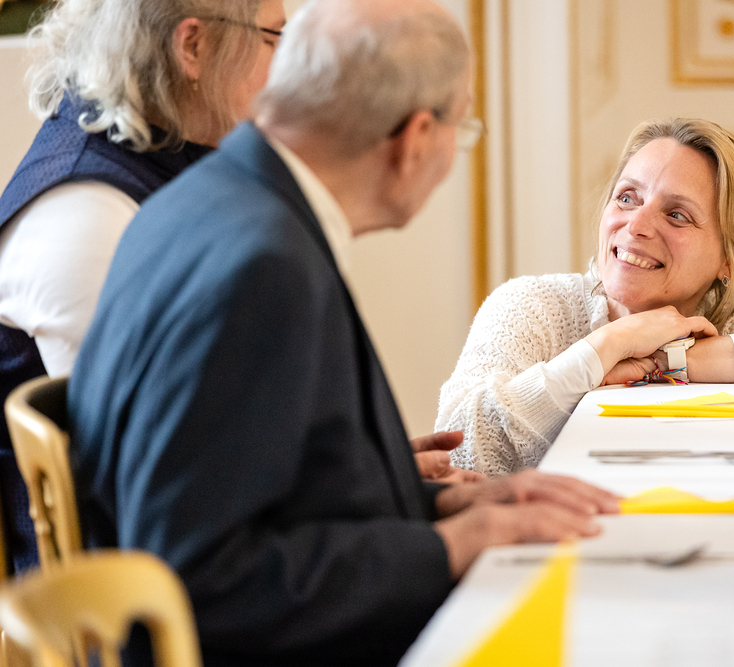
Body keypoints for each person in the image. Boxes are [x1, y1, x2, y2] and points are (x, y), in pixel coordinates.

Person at [68, 1, 619, 665]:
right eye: (461, 125)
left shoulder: (209, 198)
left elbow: (263, 484)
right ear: (417, 138)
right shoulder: (264, 266)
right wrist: (454, 544)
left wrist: (438, 503)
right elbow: (203, 574)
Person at [0, 0, 285, 574]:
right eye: (271, 39)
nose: (284, 69)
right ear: (192, 47)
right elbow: (158, 474)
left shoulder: (169, 158)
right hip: (125, 590)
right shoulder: (82, 215)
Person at [437, 118, 734, 475]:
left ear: (730, 259)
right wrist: (605, 348)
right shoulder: (535, 306)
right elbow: (458, 448)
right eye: (627, 198)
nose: (636, 225)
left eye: (677, 215)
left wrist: (669, 361)